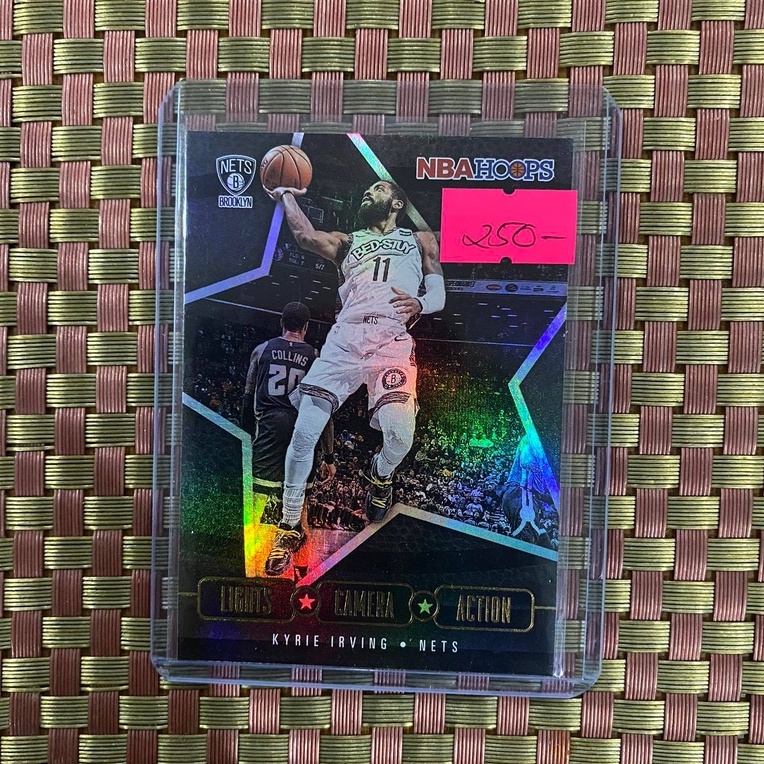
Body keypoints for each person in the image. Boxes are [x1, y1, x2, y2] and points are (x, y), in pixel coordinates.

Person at [264, 178, 445, 561]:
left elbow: (438, 295)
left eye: (377, 188)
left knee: (400, 436)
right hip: (345, 339)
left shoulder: (420, 240)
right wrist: (285, 195)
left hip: (391, 340)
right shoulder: (347, 241)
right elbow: (306, 237)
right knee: (304, 433)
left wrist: (421, 304)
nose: (367, 191)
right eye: (368, 188)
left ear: (396, 202)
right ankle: (290, 525)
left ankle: (380, 473)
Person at [240, 302, 336, 577]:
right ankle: (302, 574)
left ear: (281, 323)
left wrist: (245, 441)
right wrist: (329, 456)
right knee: (299, 504)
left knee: (258, 501)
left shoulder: (261, 350)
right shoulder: (315, 356)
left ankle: (251, 568)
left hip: (269, 429)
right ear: (306, 327)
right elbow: (324, 410)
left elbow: (247, 399)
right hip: (302, 430)